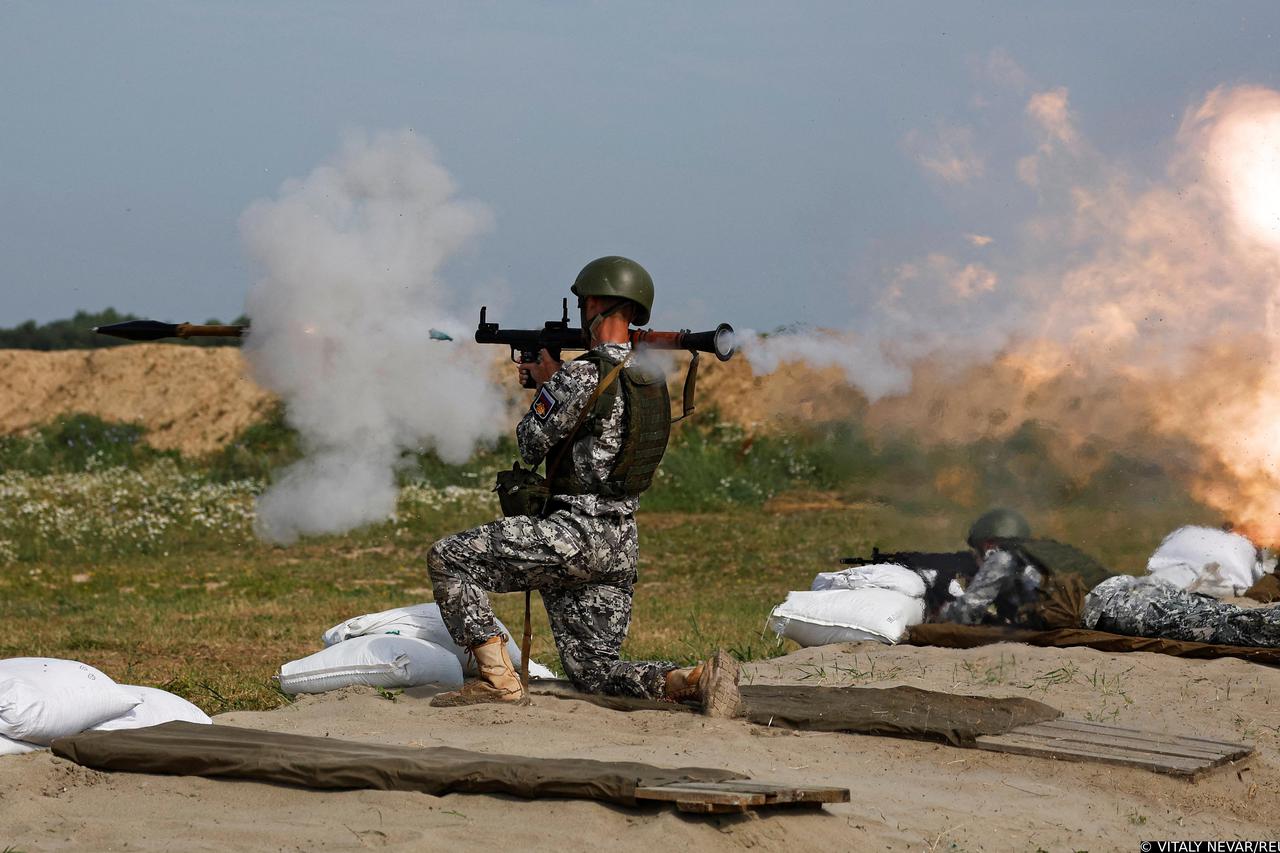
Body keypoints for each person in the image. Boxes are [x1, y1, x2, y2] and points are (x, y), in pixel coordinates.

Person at [426, 256, 740, 714]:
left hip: (570, 536)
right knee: (596, 673)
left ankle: (497, 680)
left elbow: (530, 443)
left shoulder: (579, 375)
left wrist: (546, 384)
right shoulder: (650, 378)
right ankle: (692, 679)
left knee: (448, 558)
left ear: (594, 303)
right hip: (619, 543)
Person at [936, 508, 1109, 630]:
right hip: (1117, 592)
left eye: (977, 551)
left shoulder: (1002, 557)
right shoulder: (1037, 556)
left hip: (1108, 610)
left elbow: (967, 611)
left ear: (988, 545)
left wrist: (936, 614)